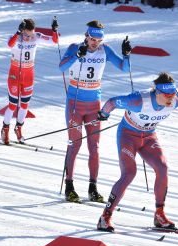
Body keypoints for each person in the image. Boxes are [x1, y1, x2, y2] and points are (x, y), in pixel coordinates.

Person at [96, 72, 178, 232]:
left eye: (173, 94)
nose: (171, 98)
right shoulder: (138, 101)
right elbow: (112, 102)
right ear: (157, 92)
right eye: (167, 95)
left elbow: (173, 99)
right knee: (129, 173)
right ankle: (105, 217)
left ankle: (159, 215)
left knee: (162, 169)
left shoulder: (176, 101)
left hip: (148, 137)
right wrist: (104, 113)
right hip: (128, 136)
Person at [59, 20, 131, 203]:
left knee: (95, 148)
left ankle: (93, 187)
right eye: (92, 39)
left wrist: (127, 54)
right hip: (75, 104)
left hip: (93, 105)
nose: (95, 43)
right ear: (86, 36)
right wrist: (76, 55)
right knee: (74, 145)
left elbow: (125, 68)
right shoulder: (75, 47)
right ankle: (69, 186)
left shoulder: (104, 50)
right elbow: (61, 67)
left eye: (98, 40)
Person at [0, 18, 59, 145]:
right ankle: (5, 129)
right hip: (15, 75)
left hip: (28, 76)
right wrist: (17, 33)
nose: (28, 38)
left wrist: (54, 30)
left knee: (25, 105)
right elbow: (9, 45)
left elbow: (54, 41)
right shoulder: (15, 37)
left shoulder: (36, 37)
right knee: (12, 105)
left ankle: (19, 129)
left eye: (31, 35)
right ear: (21, 31)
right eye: (26, 35)